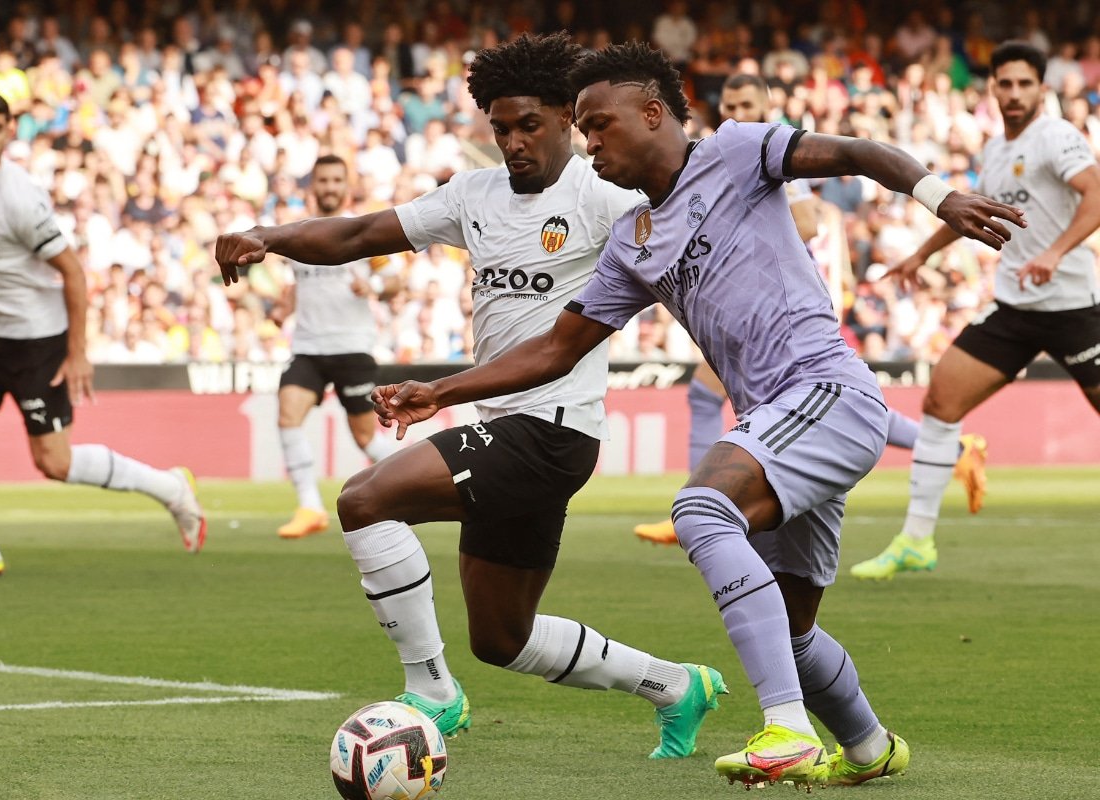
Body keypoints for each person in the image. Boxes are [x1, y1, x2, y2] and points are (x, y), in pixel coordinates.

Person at [373, 42, 1022, 788]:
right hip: (780, 422)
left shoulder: (739, 151)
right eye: (583, 130)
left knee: (702, 509)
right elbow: (557, 348)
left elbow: (859, 152)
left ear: (653, 113)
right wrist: (444, 391)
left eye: (598, 125)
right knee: (793, 625)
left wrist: (942, 197)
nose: (589, 144)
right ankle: (871, 746)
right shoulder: (632, 242)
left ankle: (786, 730)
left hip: (826, 390)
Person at [215, 33, 727, 760]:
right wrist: (268, 237)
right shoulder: (473, 194)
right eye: (500, 128)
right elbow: (361, 231)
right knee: (502, 639)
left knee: (365, 500)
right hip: (510, 428)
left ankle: (430, 692)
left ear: (566, 121)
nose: (514, 143)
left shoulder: (603, 199)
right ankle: (677, 686)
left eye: (529, 126)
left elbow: (682, 270)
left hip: (551, 431)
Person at [633, 73, 986, 546]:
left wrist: (734, 243)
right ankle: (949, 446)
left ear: (768, 104)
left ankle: (698, 505)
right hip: (748, 306)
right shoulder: (722, 159)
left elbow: (808, 221)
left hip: (785, 305)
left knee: (720, 394)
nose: (737, 113)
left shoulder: (765, 154)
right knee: (739, 398)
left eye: (748, 104)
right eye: (730, 104)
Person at [0, 90, 206, 581]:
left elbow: (73, 272)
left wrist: (77, 352)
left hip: (40, 340)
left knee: (54, 462)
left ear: (7, 133)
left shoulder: (20, 196)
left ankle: (171, 487)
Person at [850, 41, 1100, 580]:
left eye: (1024, 84)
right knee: (941, 399)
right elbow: (974, 212)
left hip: (1074, 307)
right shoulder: (993, 148)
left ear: (1042, 89)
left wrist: (1056, 254)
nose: (1013, 93)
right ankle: (916, 540)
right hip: (1014, 307)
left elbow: (1096, 193)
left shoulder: (1055, 136)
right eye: (1004, 83)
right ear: (992, 87)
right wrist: (920, 253)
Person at [271, 154, 402, 539]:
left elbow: (393, 281)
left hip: (351, 348)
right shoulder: (298, 233)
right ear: (313, 185)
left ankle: (414, 486)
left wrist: (373, 287)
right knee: (287, 415)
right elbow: (303, 282)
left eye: (335, 181)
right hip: (308, 347)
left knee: (365, 437)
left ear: (346, 186)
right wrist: (285, 307)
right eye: (323, 181)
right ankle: (310, 506)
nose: (329, 187)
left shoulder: (363, 231)